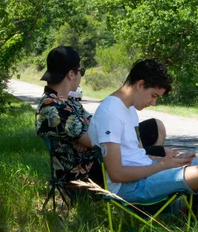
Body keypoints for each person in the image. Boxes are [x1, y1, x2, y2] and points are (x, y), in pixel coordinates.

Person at [88, 59, 198, 232]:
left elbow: (135, 154)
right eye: (153, 95)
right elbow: (116, 174)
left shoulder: (128, 108)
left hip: (144, 174)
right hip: (130, 188)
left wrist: (166, 160)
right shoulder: (111, 113)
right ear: (140, 84)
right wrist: (162, 166)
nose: (153, 103)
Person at [35, 46, 167, 185]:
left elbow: (93, 130)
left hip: (101, 158)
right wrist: (87, 139)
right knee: (163, 156)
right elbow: (97, 140)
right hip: (86, 170)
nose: (81, 76)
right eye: (81, 71)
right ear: (71, 74)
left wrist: (86, 139)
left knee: (155, 128)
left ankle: (151, 180)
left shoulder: (67, 101)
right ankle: (150, 189)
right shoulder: (52, 107)